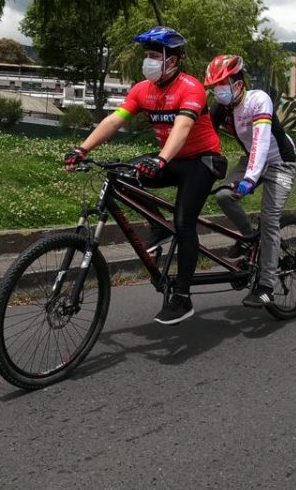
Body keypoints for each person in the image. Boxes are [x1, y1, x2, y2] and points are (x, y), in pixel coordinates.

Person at [63, 26, 225, 325]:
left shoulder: (191, 88)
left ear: (172, 60)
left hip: (203, 161)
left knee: (184, 222)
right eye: (146, 55)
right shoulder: (142, 89)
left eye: (154, 56)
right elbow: (114, 120)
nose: (147, 61)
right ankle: (157, 227)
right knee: (122, 175)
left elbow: (183, 127)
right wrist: (81, 148)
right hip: (172, 159)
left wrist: (161, 159)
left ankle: (182, 297)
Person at [204, 54, 296, 309]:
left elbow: (261, 142)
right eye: (215, 87)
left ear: (239, 83)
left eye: (223, 84)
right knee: (224, 196)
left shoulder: (259, 100)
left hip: (280, 163)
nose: (218, 91)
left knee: (269, 221)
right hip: (251, 160)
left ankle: (266, 286)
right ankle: (247, 237)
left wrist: (249, 180)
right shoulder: (222, 108)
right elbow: (202, 134)